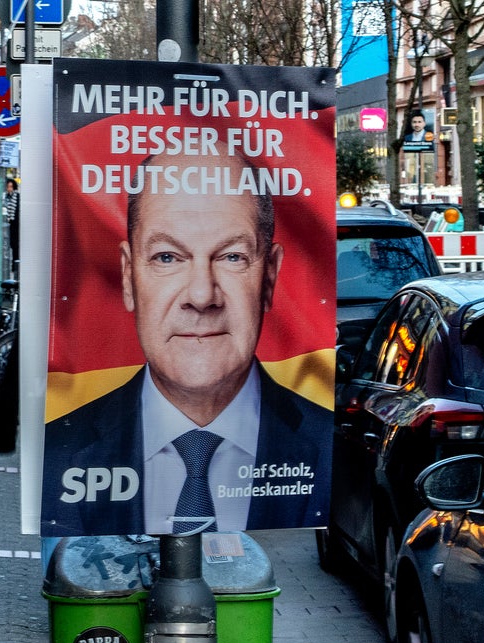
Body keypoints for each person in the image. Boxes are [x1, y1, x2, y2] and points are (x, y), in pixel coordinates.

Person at [43, 152, 332, 537]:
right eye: (167, 257)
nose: (201, 295)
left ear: (269, 276)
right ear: (129, 277)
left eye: (232, 257)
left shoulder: (329, 450)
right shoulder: (58, 449)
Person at [4, 177, 20, 268]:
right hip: (5, 224)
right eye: (8, 187)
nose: (9, 189)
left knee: (15, 245)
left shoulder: (17, 197)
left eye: (11, 187)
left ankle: (15, 264)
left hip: (15, 224)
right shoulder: (3, 197)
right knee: (6, 244)